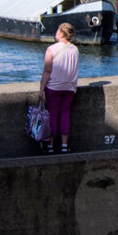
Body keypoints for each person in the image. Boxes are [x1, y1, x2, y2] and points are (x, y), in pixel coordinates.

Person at [39, 22, 79, 153]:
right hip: (69, 88)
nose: (56, 33)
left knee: (53, 115)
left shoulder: (52, 49)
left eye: (57, 30)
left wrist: (41, 89)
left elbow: (47, 71)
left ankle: (50, 146)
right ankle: (64, 146)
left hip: (53, 88)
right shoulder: (75, 49)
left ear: (62, 33)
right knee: (65, 115)